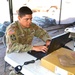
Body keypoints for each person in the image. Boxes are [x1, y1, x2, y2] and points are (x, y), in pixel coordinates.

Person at [5, 6, 51, 75]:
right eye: (26, 19)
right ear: (19, 18)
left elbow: (42, 33)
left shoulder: (32, 26)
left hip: (27, 52)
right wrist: (33, 47)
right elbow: (13, 47)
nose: (29, 22)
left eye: (31, 19)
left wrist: (47, 40)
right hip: (15, 54)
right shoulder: (12, 29)